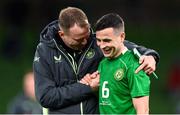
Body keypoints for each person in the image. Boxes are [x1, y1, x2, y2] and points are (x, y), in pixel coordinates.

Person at [33, 7, 159, 114]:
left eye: (87, 36)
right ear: (62, 35)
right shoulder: (45, 51)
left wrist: (150, 56)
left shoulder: (96, 41)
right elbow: (46, 97)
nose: (85, 42)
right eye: (78, 39)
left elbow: (124, 46)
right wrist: (87, 88)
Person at [94, 13, 150, 114]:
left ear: (122, 37)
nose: (102, 46)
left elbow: (143, 110)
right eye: (99, 40)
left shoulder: (134, 64)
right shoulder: (103, 63)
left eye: (107, 40)